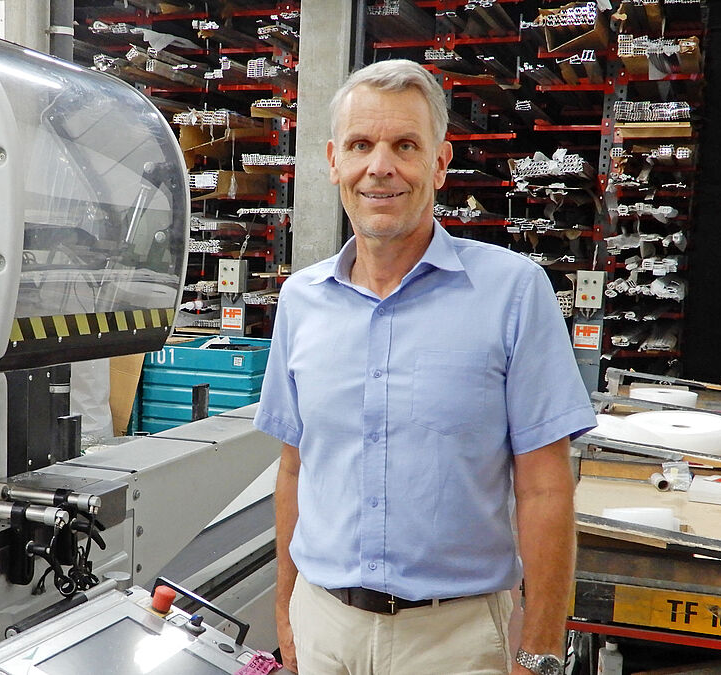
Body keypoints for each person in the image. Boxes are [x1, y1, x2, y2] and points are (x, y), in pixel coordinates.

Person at [253, 59, 596, 675]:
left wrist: (541, 649)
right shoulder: (300, 301)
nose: (379, 166)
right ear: (333, 161)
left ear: (439, 164)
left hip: (458, 641)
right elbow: (295, 469)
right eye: (361, 145)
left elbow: (545, 487)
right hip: (324, 625)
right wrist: (285, 614)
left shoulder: (514, 293)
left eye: (404, 145)